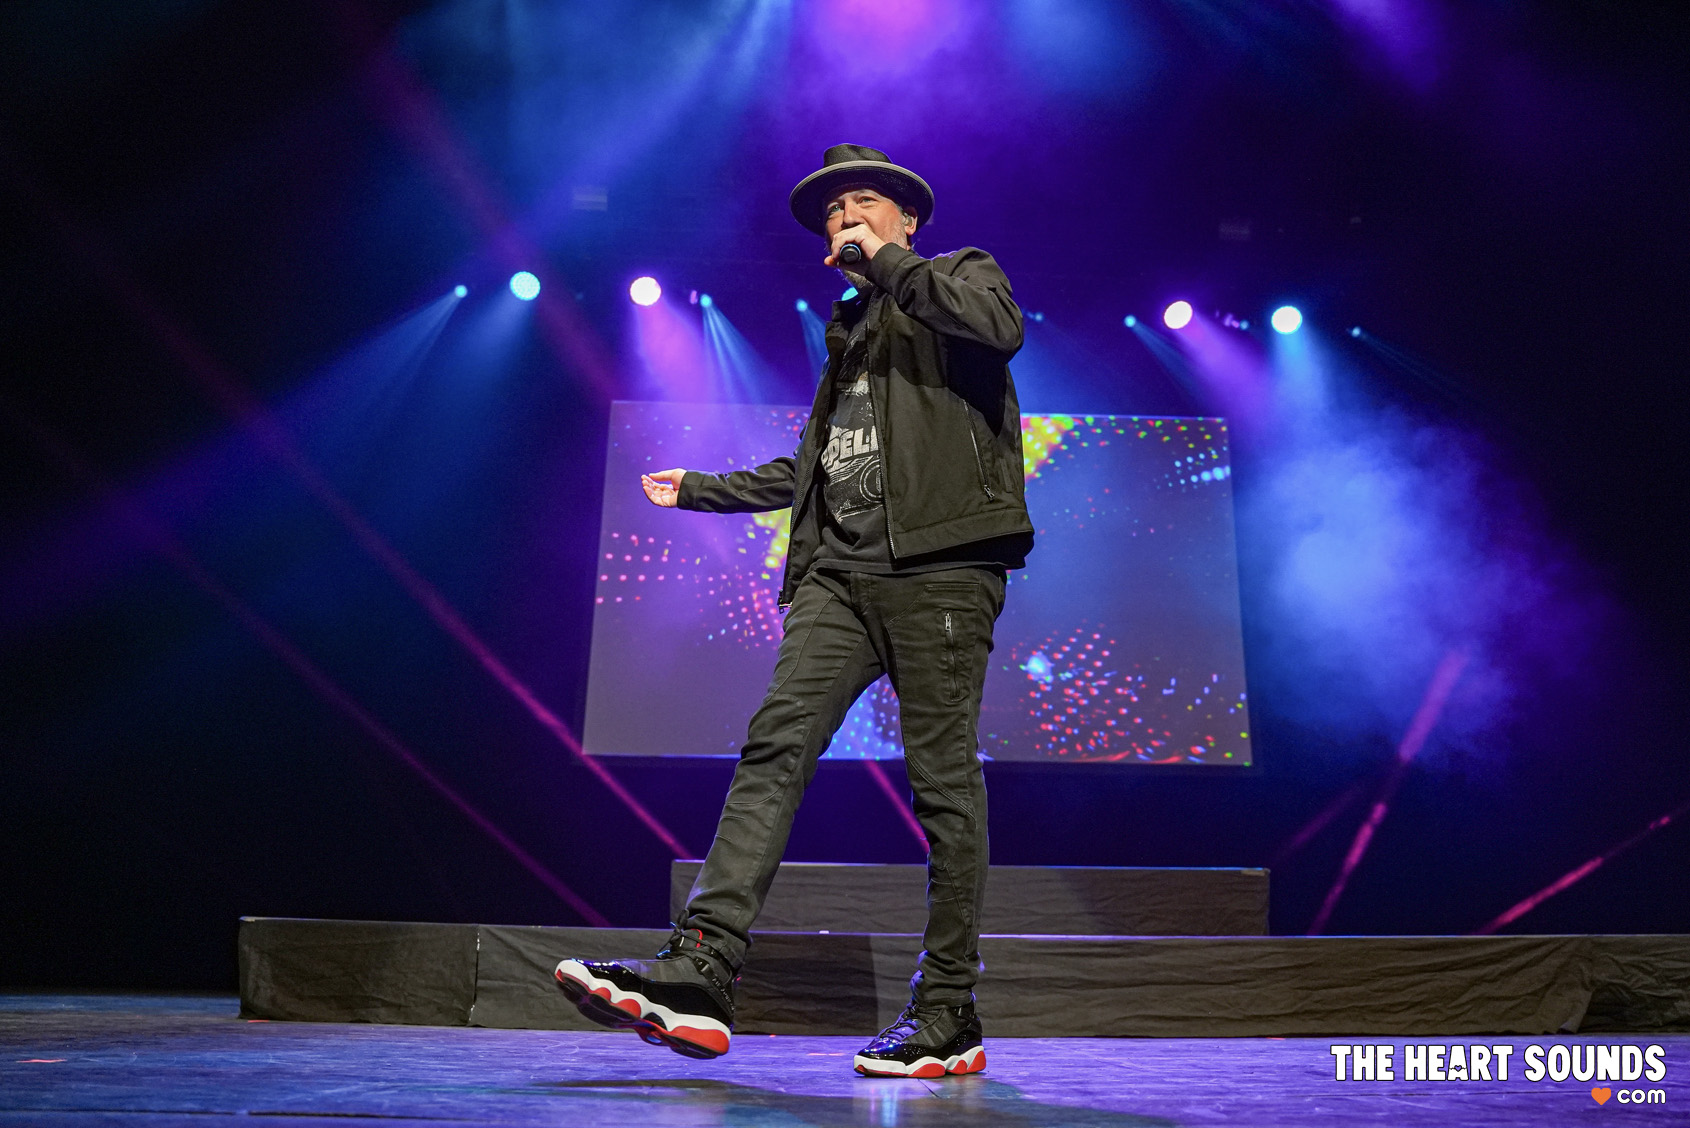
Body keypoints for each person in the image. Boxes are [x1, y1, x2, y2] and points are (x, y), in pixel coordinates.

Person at [555, 144, 1034, 1078]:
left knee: (941, 785)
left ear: (906, 220)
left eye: (863, 204)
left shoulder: (958, 276)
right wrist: (705, 489)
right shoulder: (849, 328)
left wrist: (886, 267)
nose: (845, 219)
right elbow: (820, 465)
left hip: (940, 570)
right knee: (774, 745)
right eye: (833, 213)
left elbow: (998, 329)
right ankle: (701, 970)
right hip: (839, 577)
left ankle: (948, 1009)